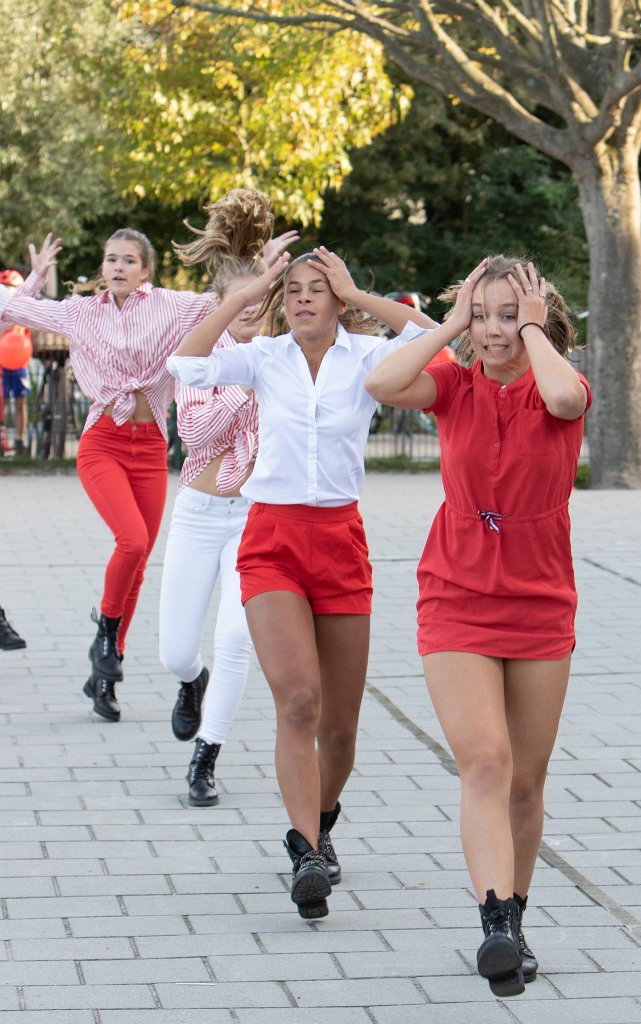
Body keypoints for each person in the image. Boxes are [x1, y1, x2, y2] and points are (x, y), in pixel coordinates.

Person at [168, 247, 434, 919]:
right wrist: (247, 294)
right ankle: (307, 852)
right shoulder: (262, 358)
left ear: (339, 299)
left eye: (319, 290)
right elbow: (188, 362)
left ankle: (319, 820)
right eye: (295, 290)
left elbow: (433, 338)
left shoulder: (367, 356)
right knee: (298, 702)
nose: (304, 299)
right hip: (272, 542)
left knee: (340, 732)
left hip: (341, 542)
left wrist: (360, 294)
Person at [364, 255, 590, 996]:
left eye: (506, 315)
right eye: (482, 314)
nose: (492, 331)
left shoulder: (557, 387)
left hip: (538, 597)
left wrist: (530, 333)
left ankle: (516, 919)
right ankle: (494, 923)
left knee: (526, 779)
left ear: (535, 319)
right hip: (455, 590)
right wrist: (451, 325)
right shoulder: (453, 386)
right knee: (486, 761)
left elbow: (559, 393)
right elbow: (380, 383)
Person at [0, 207, 291, 722]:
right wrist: (38, 277)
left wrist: (266, 273)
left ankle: (105, 674)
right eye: (110, 259)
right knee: (131, 541)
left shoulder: (175, 308)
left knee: (136, 564)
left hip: (151, 447)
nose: (116, 266)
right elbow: (10, 314)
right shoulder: (79, 312)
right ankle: (107, 638)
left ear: (145, 271)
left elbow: (233, 302)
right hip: (103, 442)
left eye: (128, 260)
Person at [158, 189, 297, 806]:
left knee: (236, 640)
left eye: (258, 300)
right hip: (196, 512)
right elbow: (195, 435)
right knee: (175, 652)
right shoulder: (199, 360)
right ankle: (192, 684)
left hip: (254, 521)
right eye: (236, 301)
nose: (247, 310)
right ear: (220, 305)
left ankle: (206, 755)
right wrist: (247, 380)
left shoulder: (286, 359)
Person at [0, 270, 32, 455]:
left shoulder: (22, 314)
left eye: (12, 287)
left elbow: (27, 341)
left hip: (19, 365)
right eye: (5, 288)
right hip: (1, 363)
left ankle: (21, 440)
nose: (8, 291)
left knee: (21, 403)